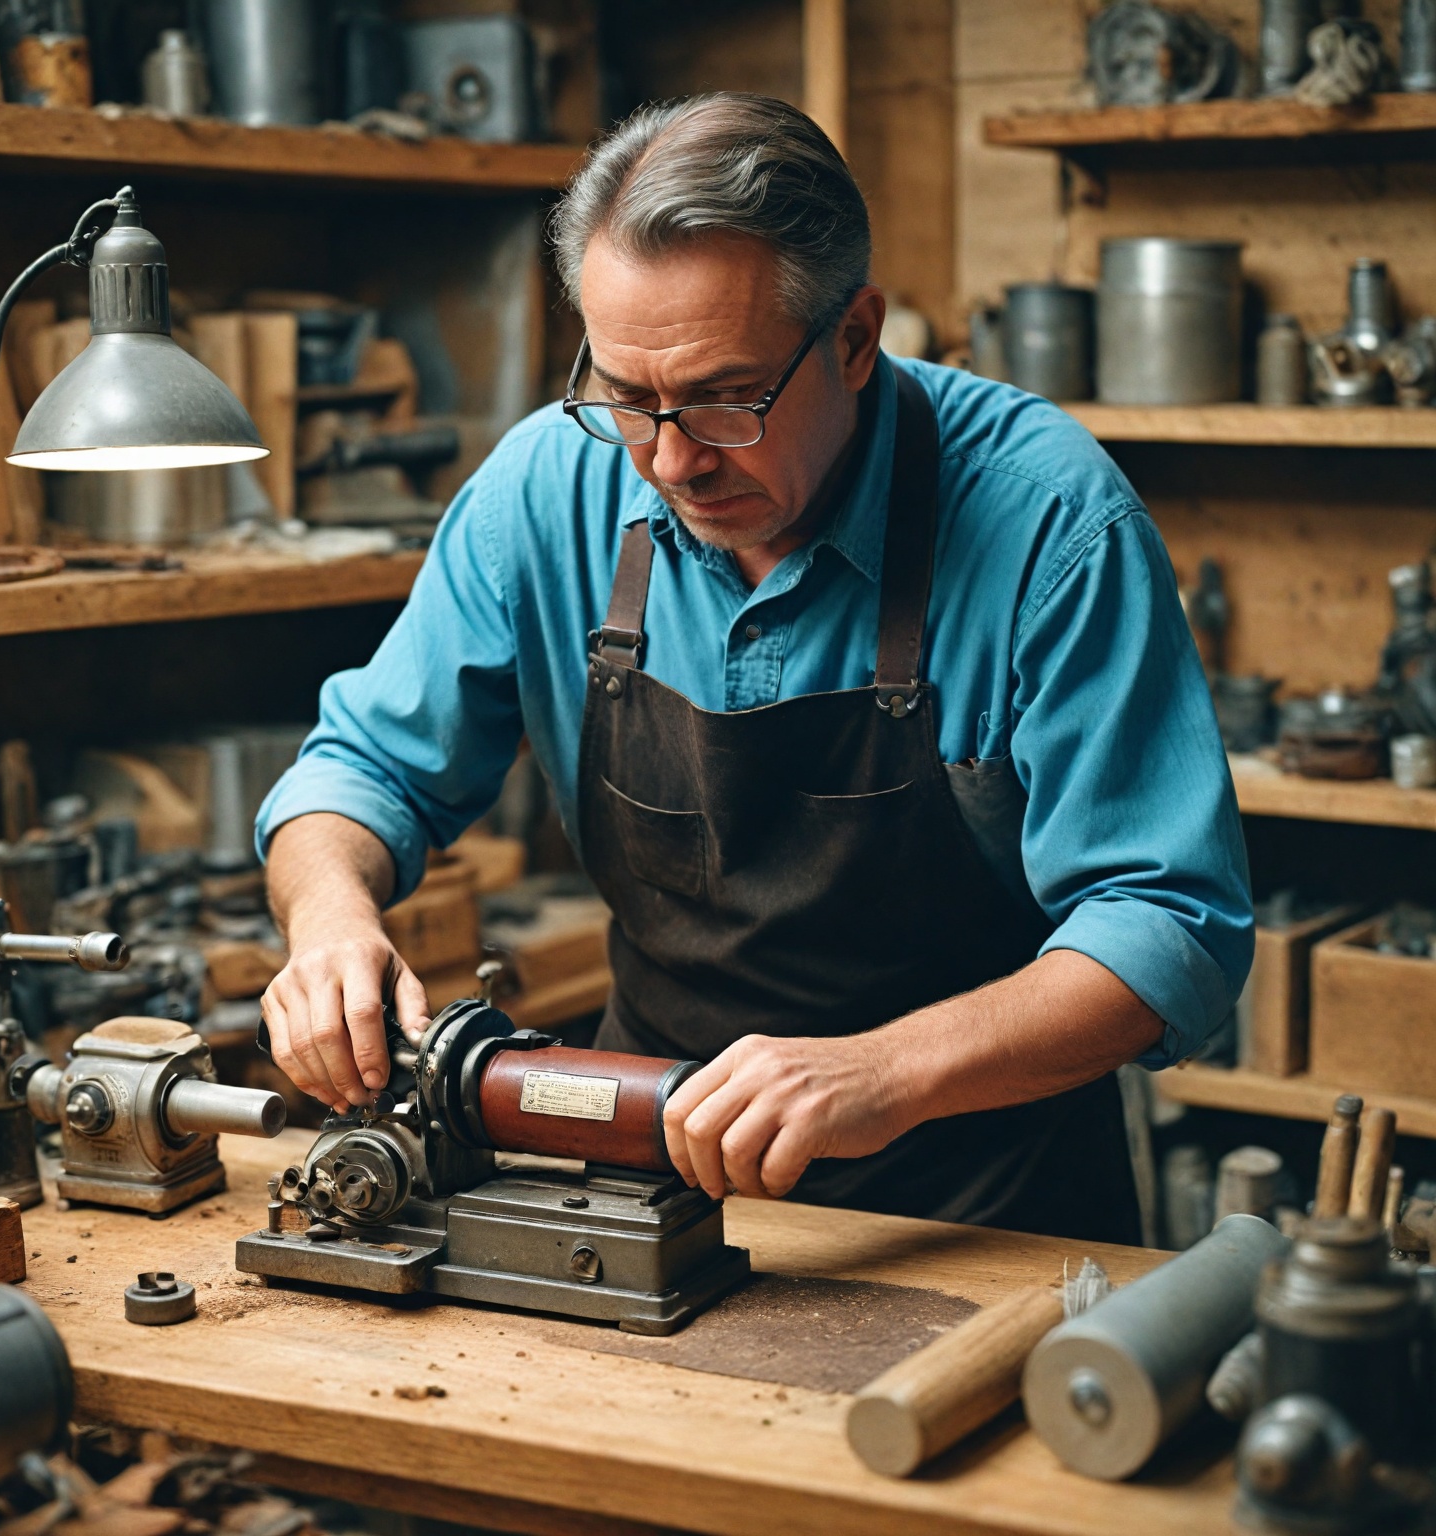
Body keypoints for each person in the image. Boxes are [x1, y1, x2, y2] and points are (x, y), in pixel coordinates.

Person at [256, 93, 1252, 1244]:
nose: (672, 459)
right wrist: (331, 917)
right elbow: (363, 767)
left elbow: (1170, 920)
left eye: (727, 400)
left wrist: (883, 1073)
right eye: (629, 399)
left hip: (979, 1207)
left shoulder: (1046, 518)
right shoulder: (546, 490)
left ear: (854, 337)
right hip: (650, 1186)